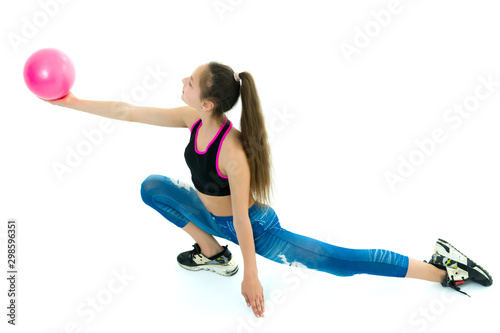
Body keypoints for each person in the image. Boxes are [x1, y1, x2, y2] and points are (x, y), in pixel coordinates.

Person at [44, 61, 493, 319]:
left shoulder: (233, 152)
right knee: (154, 187)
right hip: (207, 215)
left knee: (340, 262)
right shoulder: (191, 119)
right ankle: (214, 255)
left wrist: (253, 274)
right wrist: (71, 102)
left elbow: (241, 219)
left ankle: (441, 269)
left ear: (207, 101)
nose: (181, 80)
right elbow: (127, 110)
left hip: (256, 230)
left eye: (189, 80)